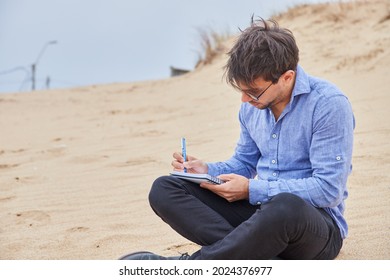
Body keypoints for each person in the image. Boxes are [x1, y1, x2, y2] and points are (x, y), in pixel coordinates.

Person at [120, 17, 354, 260]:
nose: (245, 100)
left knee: (285, 206)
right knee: (165, 189)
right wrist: (205, 169)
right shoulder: (252, 106)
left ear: (287, 77)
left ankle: (191, 266)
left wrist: (252, 189)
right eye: (241, 90)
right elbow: (244, 163)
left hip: (313, 227)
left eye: (253, 91)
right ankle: (251, 254)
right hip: (260, 217)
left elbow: (328, 190)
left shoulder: (328, 104)